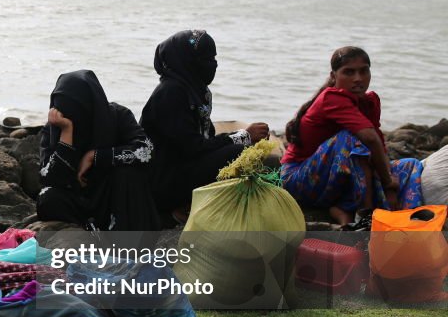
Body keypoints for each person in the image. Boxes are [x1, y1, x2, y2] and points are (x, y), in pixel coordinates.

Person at [281, 46, 423, 227]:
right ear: (334, 76)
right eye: (349, 72)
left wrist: (389, 180)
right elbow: (369, 139)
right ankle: (365, 214)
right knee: (352, 138)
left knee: (411, 164)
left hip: (334, 178)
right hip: (298, 179)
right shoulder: (331, 99)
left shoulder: (369, 101)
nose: (358, 79)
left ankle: (408, 219)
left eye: (364, 71)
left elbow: (379, 144)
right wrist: (387, 183)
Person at [139, 30, 269, 223]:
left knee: (250, 154)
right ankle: (178, 209)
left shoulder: (197, 92)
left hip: (182, 169)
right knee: (237, 153)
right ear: (187, 60)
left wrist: (244, 138)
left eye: (213, 57)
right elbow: (193, 147)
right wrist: (244, 135)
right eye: (205, 58)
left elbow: (208, 140)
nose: (213, 64)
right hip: (162, 182)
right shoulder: (171, 94)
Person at [37, 70, 160, 231]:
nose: (73, 120)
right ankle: (91, 230)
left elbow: (146, 150)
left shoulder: (117, 116)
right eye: (66, 116)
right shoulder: (55, 128)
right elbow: (49, 178)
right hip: (78, 196)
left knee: (128, 174)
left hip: (112, 193)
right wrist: (66, 132)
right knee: (48, 198)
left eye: (77, 115)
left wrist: (95, 156)